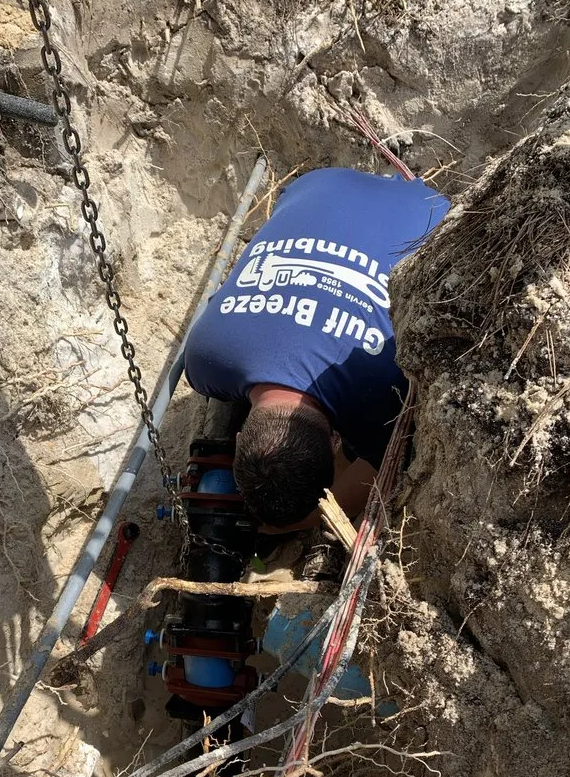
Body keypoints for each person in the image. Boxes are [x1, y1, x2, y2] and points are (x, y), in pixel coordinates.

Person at [184, 166, 449, 531]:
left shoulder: (383, 394)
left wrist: (298, 525)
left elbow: (380, 468)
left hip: (436, 211)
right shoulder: (203, 356)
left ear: (336, 441)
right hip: (317, 184)